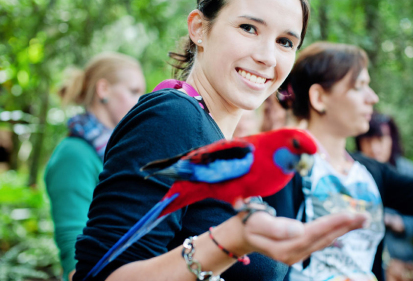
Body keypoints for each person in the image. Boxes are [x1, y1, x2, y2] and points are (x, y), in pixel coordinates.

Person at [72, 2, 366, 281]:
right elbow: (102, 275)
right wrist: (231, 241)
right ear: (199, 28)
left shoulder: (224, 140)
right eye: (249, 27)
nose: (267, 56)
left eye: (285, 42)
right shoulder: (174, 117)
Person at [263, 42, 413, 281]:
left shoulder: (370, 172)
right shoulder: (286, 167)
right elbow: (267, 263)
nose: (372, 97)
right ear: (319, 97)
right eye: (359, 87)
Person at [45, 52, 146, 281]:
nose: (141, 101)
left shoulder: (117, 153)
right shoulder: (73, 155)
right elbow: (75, 260)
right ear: (103, 90)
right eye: (133, 91)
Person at [355, 112, 413, 280]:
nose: (374, 148)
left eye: (380, 140)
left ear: (391, 140)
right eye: (368, 141)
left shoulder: (409, 173)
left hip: (399, 259)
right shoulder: (352, 172)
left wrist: (388, 220)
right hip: (360, 260)